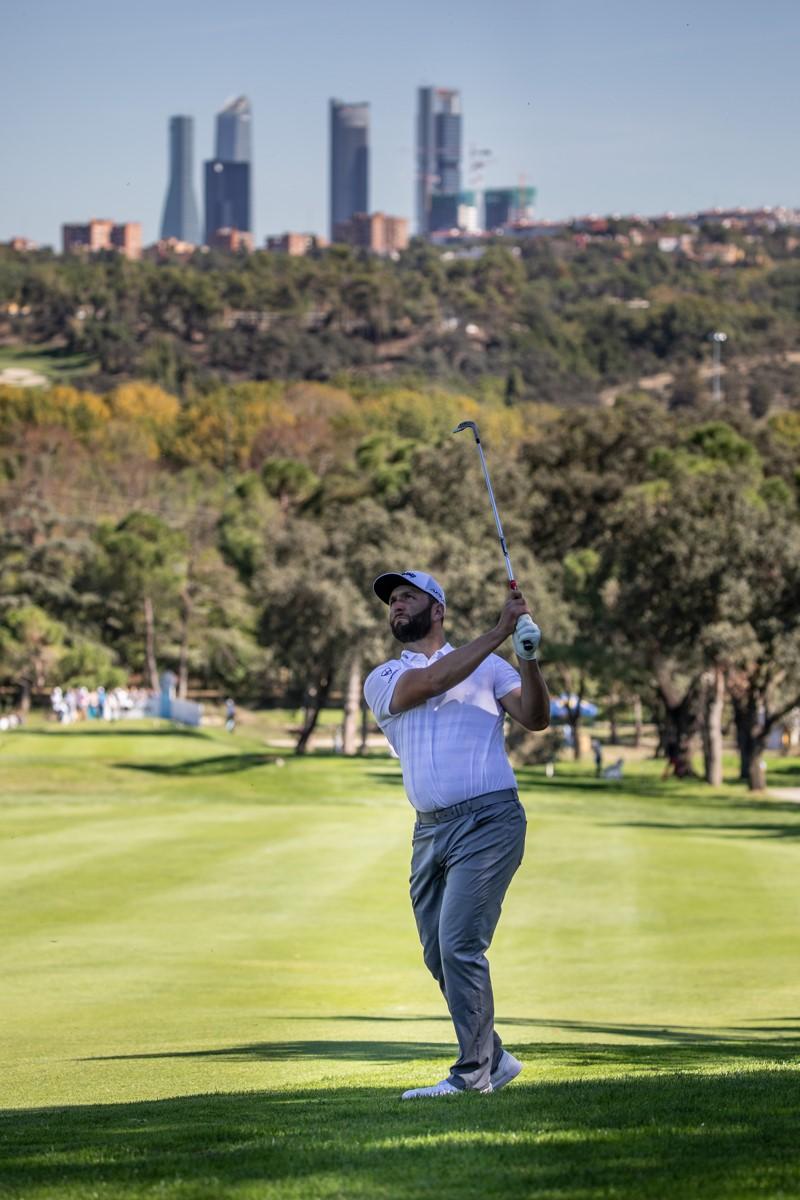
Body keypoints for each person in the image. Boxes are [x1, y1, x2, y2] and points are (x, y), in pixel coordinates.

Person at [364, 569, 550, 1099]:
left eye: (407, 597)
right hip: (429, 832)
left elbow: (536, 718)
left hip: (490, 821)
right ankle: (497, 1057)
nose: (396, 606)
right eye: (392, 601)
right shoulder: (383, 677)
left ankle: (473, 1075)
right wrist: (498, 630)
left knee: (460, 943)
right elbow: (429, 684)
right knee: (438, 954)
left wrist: (526, 655)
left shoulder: (491, 668)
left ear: (437, 608)